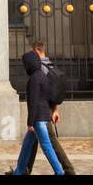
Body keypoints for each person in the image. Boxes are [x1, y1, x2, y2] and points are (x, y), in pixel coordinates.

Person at [21, 40, 75, 175]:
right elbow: (55, 91)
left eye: (31, 51)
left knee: (49, 140)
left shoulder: (40, 69)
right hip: (49, 107)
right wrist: (56, 110)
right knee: (33, 141)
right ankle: (24, 170)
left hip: (42, 109)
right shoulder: (51, 65)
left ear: (36, 51)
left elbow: (38, 94)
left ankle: (68, 169)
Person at [10, 48, 64, 175]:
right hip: (44, 116)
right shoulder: (43, 77)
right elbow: (50, 97)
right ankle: (18, 171)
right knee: (26, 146)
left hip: (38, 119)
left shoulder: (34, 79)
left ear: (29, 64)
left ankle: (59, 172)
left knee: (46, 147)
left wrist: (30, 123)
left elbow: (33, 103)